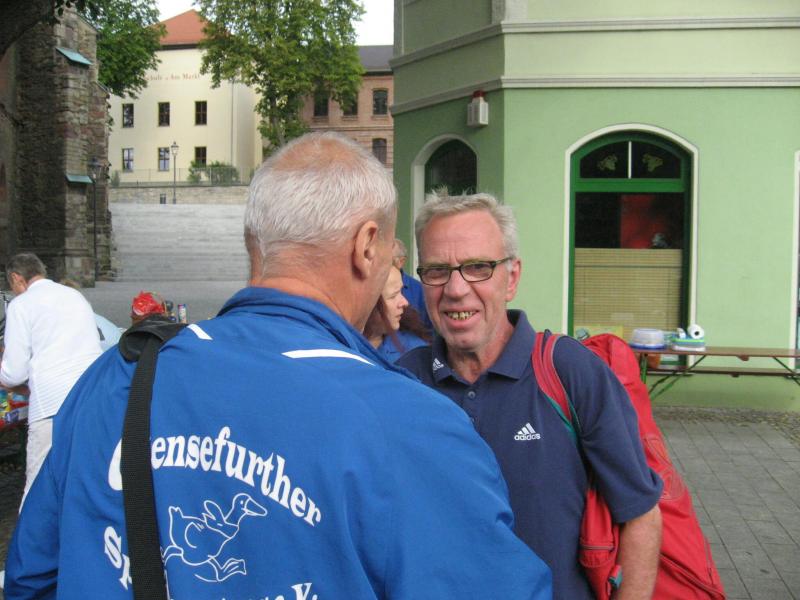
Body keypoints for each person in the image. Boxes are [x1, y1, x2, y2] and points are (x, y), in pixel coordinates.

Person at [5, 133, 552, 599]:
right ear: (367, 247)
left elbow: (32, 578)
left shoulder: (117, 377)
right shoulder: (413, 427)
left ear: (254, 242)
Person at [398, 192, 663, 600]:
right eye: (437, 270)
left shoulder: (571, 373)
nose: (456, 289)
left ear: (512, 278)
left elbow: (641, 515)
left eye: (478, 267)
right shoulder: (403, 383)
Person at [0, 254, 102, 502]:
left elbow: (14, 372)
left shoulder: (21, 304)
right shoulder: (74, 296)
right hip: (91, 394)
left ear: (16, 278)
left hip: (51, 403)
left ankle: (32, 528)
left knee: (38, 483)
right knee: (80, 477)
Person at [363, 265, 428, 362]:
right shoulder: (340, 348)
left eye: (401, 292)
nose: (405, 302)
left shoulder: (415, 354)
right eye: (393, 296)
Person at [392, 238, 432, 329]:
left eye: (388, 260)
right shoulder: (374, 287)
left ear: (401, 262)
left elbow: (429, 330)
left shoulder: (420, 291)